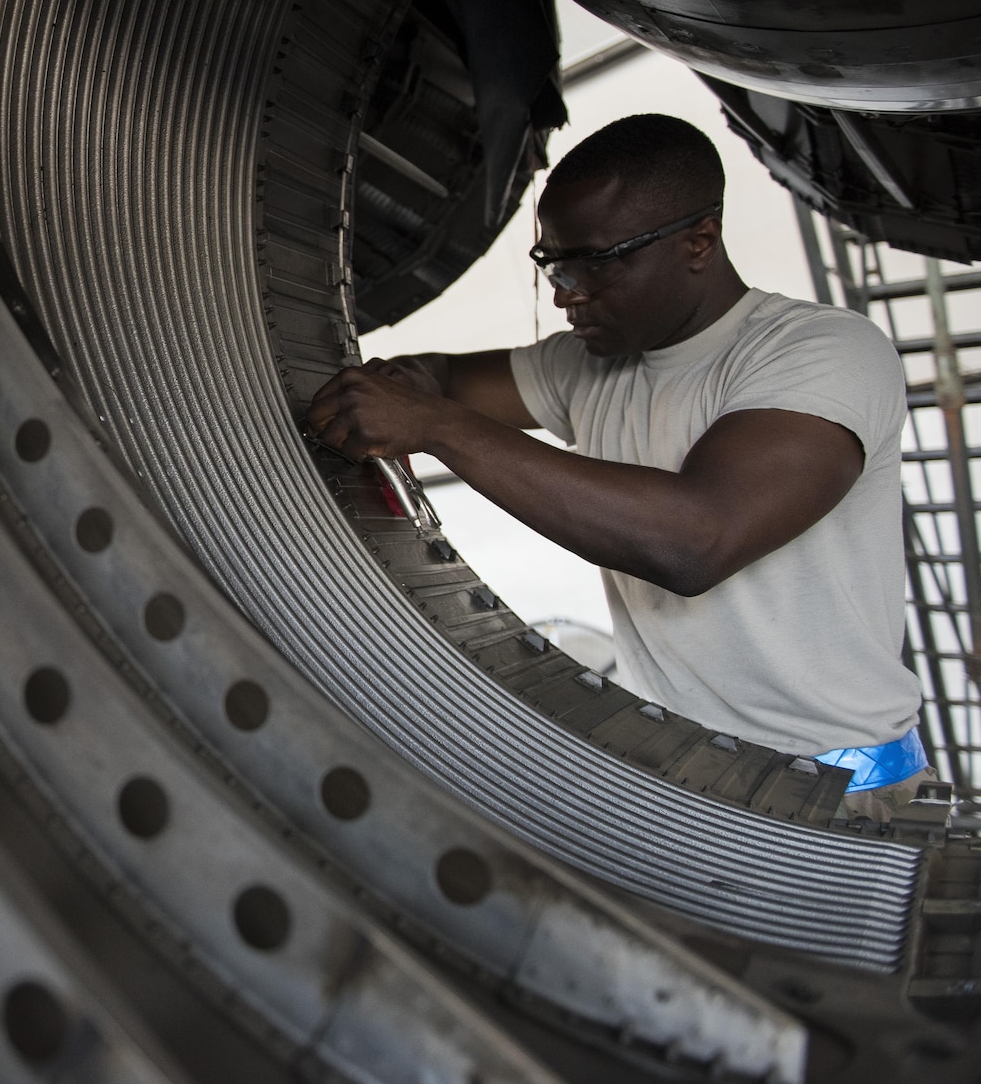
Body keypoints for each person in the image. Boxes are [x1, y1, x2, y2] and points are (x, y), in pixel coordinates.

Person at [308, 114, 928, 822]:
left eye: (595, 264)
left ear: (699, 240)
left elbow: (697, 538)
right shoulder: (592, 362)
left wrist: (435, 425)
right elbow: (442, 379)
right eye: (552, 264)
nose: (566, 294)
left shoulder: (821, 351)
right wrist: (401, 386)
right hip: (679, 772)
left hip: (834, 789)